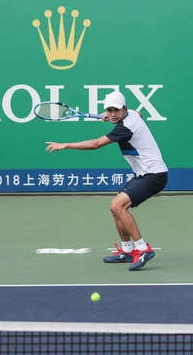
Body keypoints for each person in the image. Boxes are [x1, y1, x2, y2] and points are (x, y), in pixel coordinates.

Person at [45, 91, 168, 271]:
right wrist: (113, 117)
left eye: (116, 110)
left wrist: (66, 145)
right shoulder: (132, 114)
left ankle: (143, 249)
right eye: (109, 110)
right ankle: (127, 251)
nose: (112, 114)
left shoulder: (125, 127)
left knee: (118, 206)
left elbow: (96, 144)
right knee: (115, 207)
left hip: (154, 175)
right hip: (143, 174)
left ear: (124, 109)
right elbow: (139, 114)